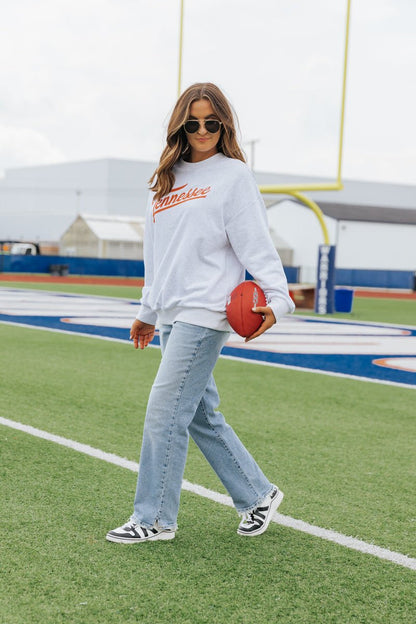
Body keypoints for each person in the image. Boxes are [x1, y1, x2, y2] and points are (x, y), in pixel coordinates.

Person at [106, 82, 295, 544]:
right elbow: (157, 255)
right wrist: (148, 311)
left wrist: (279, 299)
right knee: (199, 414)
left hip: (208, 309)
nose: (204, 129)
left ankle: (153, 518)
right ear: (181, 126)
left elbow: (257, 243)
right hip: (171, 311)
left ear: (224, 124)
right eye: (194, 122)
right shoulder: (164, 182)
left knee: (164, 410)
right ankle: (257, 494)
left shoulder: (233, 176)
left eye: (213, 121)